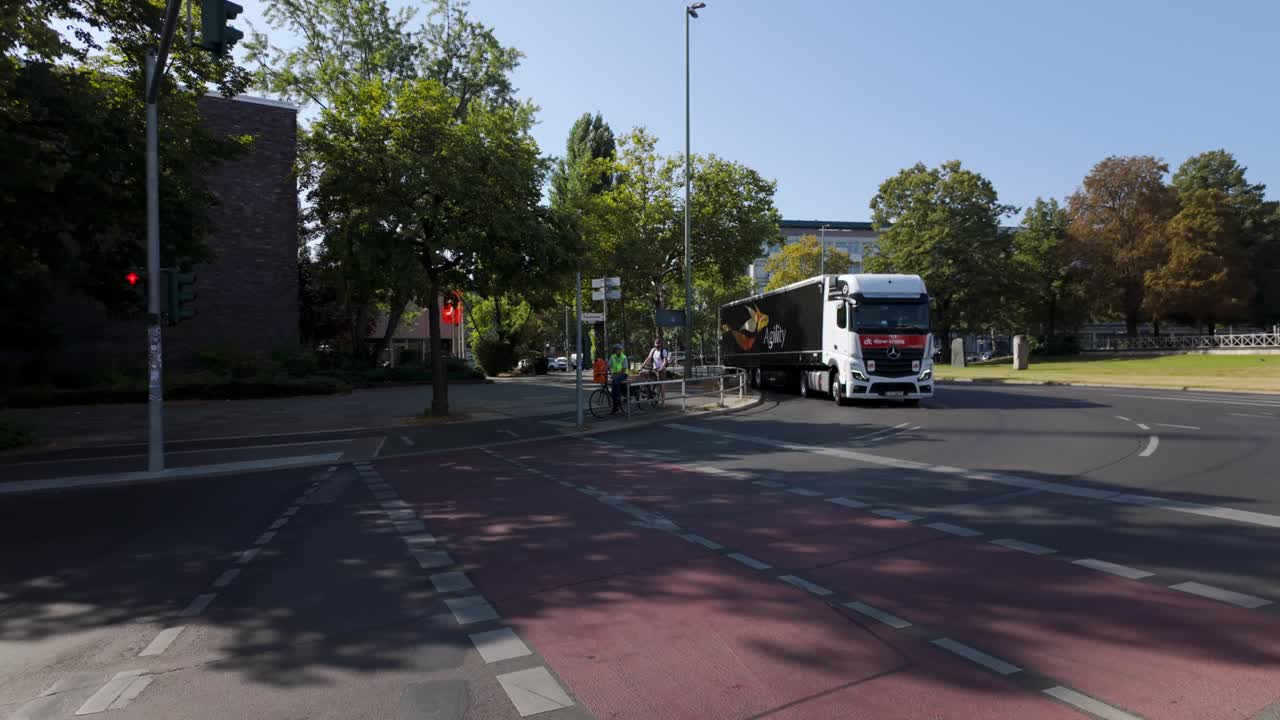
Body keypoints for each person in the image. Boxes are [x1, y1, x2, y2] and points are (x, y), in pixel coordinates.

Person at [640, 337, 670, 403]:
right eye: (656, 343)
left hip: (661, 370)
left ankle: (663, 402)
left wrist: (661, 368)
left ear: (661, 344)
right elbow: (648, 358)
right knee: (645, 376)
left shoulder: (663, 351)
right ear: (654, 344)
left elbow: (665, 361)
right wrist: (642, 365)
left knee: (661, 387)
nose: (657, 345)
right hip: (654, 369)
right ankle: (650, 394)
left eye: (659, 344)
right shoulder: (653, 350)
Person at [607, 343, 628, 414]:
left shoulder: (624, 357)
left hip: (623, 374)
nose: (617, 351)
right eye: (616, 349)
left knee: (615, 381)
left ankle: (618, 397)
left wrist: (615, 375)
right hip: (616, 374)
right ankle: (615, 405)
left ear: (621, 350)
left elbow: (624, 369)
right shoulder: (612, 356)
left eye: (618, 349)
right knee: (613, 386)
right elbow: (608, 365)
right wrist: (608, 370)